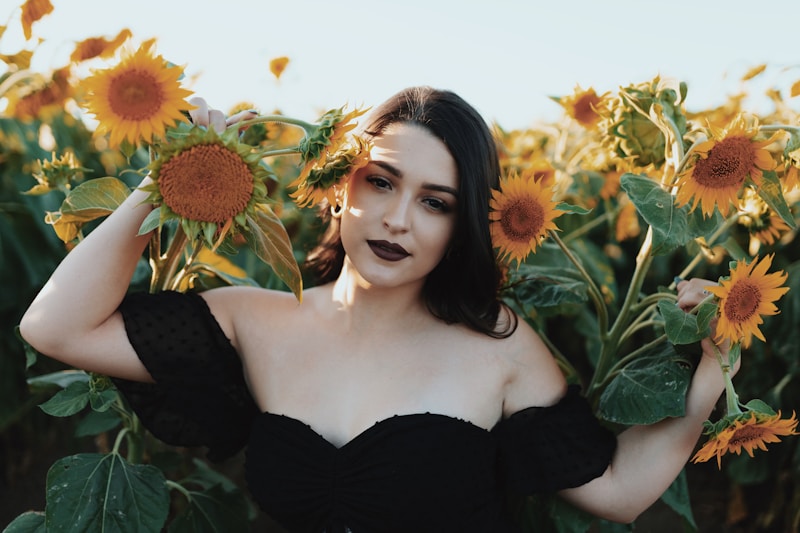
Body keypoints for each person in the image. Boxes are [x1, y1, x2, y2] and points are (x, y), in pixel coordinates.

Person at [19, 86, 733, 532]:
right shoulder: (253, 318)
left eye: (435, 202)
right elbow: (55, 326)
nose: (397, 219)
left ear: (463, 225)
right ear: (339, 188)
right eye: (380, 182)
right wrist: (176, 170)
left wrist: (705, 377)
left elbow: (613, 491)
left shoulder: (499, 348)